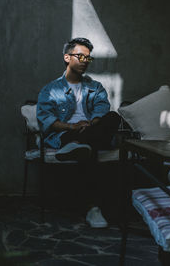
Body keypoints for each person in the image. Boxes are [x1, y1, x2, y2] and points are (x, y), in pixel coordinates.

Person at [37, 37, 121, 228]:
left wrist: (92, 123)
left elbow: (102, 108)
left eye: (88, 58)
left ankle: (79, 144)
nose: (85, 62)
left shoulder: (95, 87)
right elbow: (47, 121)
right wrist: (73, 127)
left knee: (114, 117)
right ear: (67, 57)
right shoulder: (50, 90)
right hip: (65, 135)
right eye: (80, 56)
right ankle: (93, 208)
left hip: (90, 131)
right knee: (87, 144)